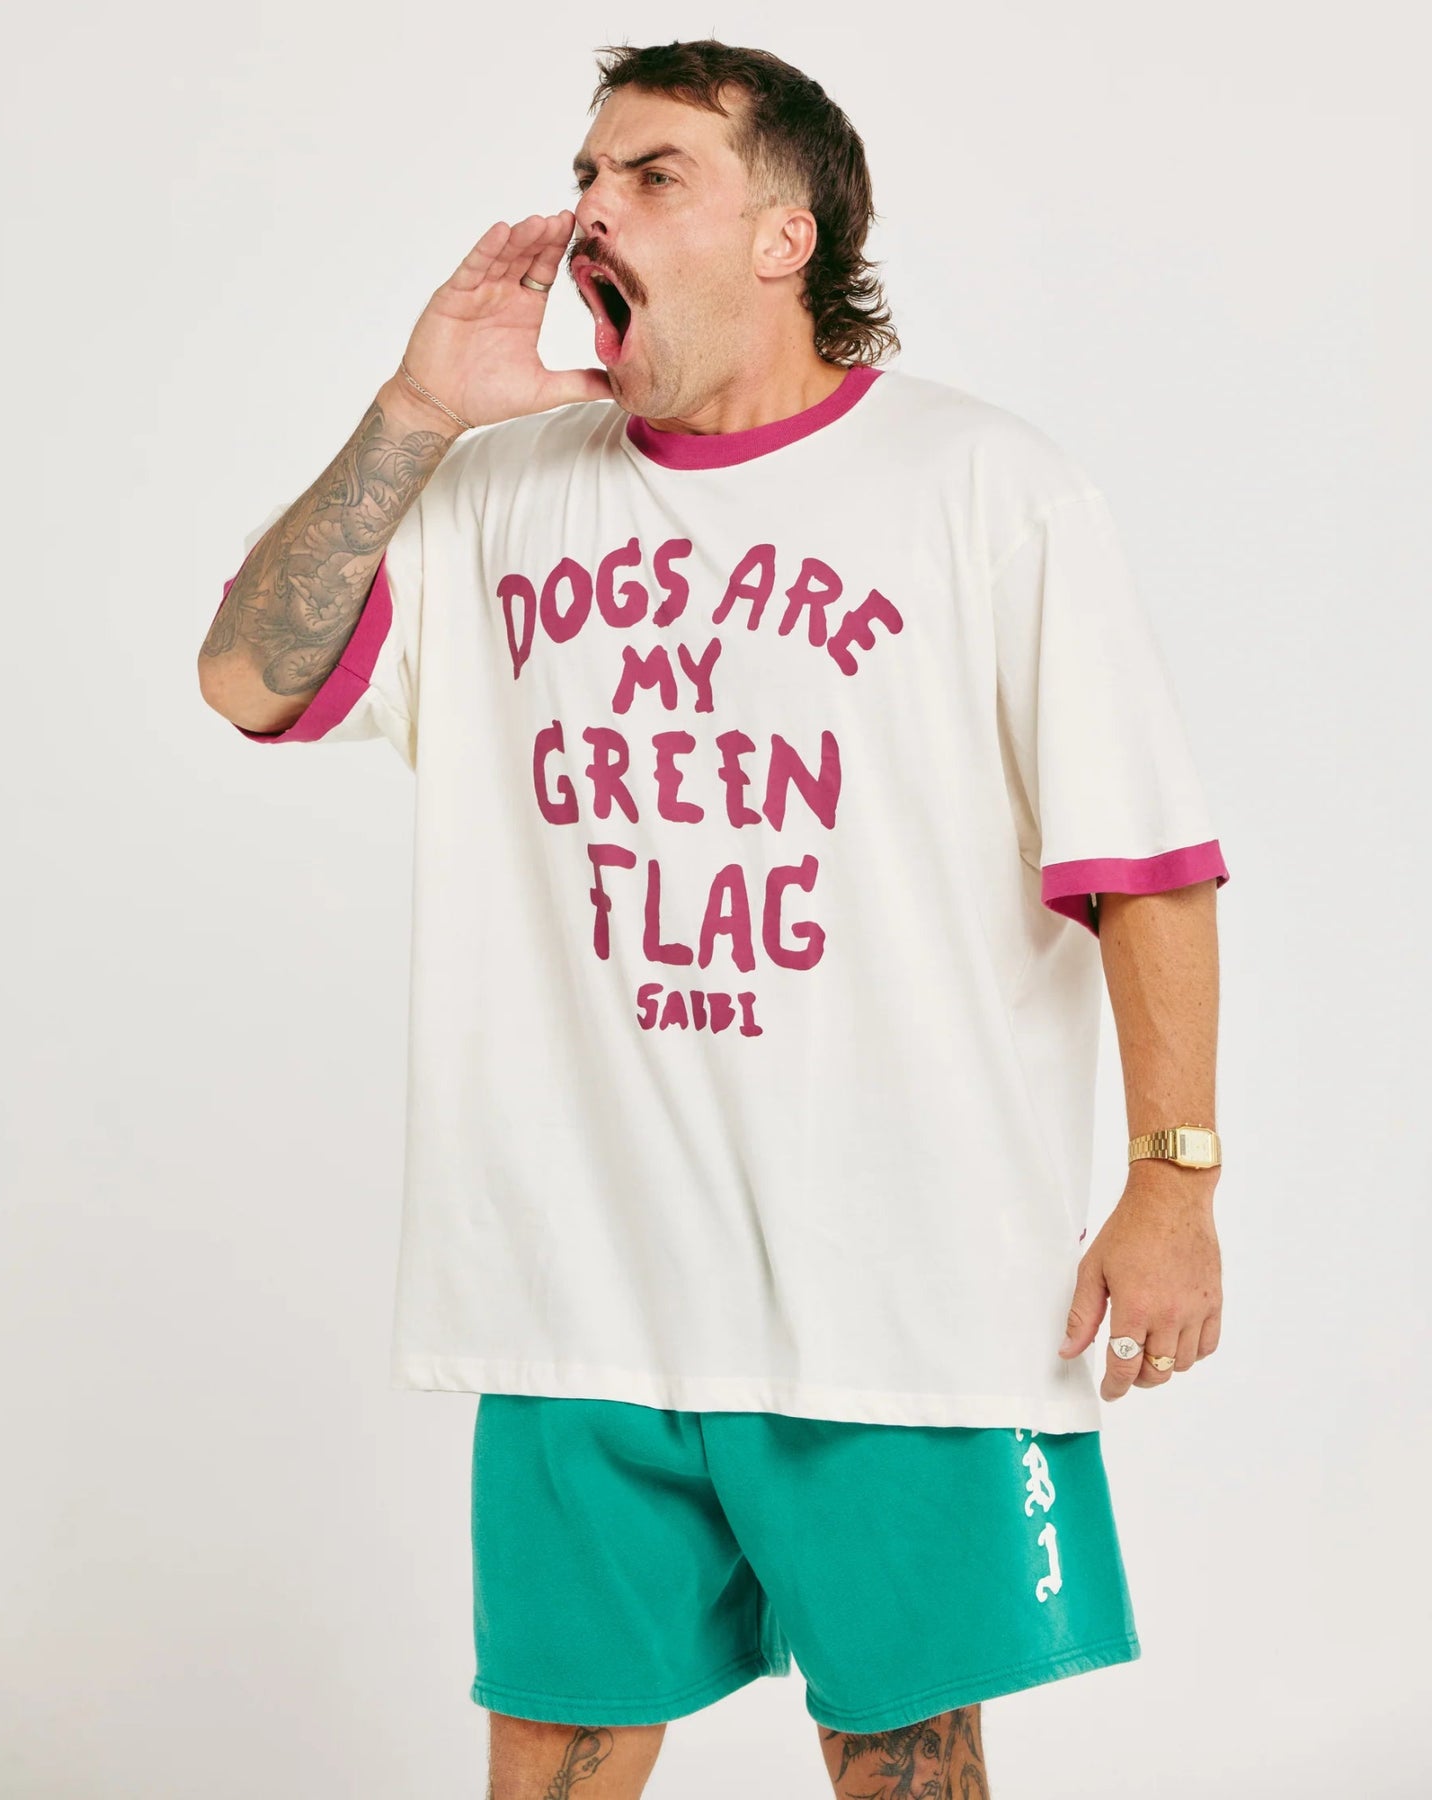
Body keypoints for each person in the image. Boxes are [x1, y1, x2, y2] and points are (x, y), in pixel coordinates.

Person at [198, 37, 1230, 1800]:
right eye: (585, 173)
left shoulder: (987, 488)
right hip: (575, 1298)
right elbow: (245, 678)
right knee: (552, 1757)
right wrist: (416, 412)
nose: (589, 208)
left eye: (652, 173)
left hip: (899, 1301)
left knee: (903, 1758)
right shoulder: (497, 490)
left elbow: (1142, 862)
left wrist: (1174, 1180)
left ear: (785, 233)